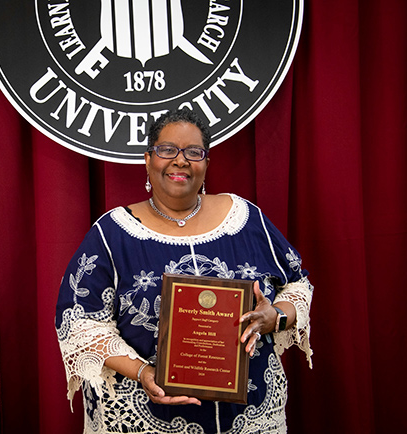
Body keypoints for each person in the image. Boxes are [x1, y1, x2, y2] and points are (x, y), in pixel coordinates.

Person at [55, 107, 313, 433]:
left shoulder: (246, 219)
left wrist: (274, 316)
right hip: (144, 422)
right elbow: (78, 322)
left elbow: (298, 285)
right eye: (167, 150)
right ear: (148, 160)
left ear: (206, 163)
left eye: (194, 152)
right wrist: (142, 372)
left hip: (250, 419)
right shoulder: (111, 233)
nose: (180, 160)